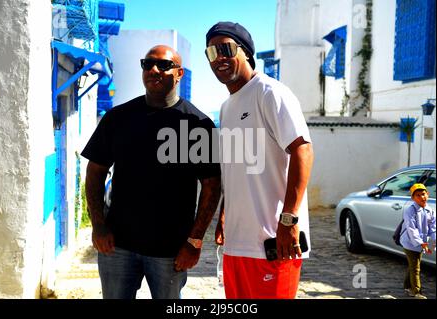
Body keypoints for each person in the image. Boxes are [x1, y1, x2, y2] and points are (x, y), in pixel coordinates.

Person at [81, 45, 221, 299]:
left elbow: (212, 186)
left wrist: (194, 241)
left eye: (164, 65)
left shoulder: (197, 125)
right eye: (147, 64)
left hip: (170, 250)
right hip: (118, 245)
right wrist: (98, 226)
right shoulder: (118, 118)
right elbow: (95, 171)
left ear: (180, 74)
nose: (154, 70)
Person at [206, 22, 314, 299]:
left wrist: (289, 220)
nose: (218, 58)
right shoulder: (227, 107)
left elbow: (303, 150)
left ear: (246, 52)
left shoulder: (270, 92)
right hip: (236, 245)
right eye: (211, 53)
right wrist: (225, 212)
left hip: (272, 244)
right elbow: (235, 168)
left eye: (225, 49)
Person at [400, 183, 436, 299]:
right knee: (416, 267)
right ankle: (416, 292)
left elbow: (433, 229)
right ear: (413, 198)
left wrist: (431, 244)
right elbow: (412, 229)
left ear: (427, 194)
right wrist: (421, 243)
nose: (422, 197)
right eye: (418, 195)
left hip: (423, 244)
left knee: (414, 264)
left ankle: (406, 285)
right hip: (410, 243)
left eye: (423, 194)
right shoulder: (410, 210)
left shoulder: (430, 211)